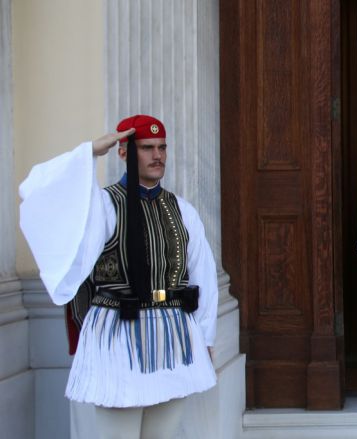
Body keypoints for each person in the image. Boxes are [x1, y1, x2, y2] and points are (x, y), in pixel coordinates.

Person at [19, 115, 218, 438]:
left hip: (175, 337)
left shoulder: (183, 210)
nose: (158, 155)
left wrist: (206, 338)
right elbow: (38, 191)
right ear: (124, 152)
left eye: (162, 147)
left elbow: (203, 274)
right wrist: (90, 152)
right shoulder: (102, 205)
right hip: (118, 336)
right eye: (147, 147)